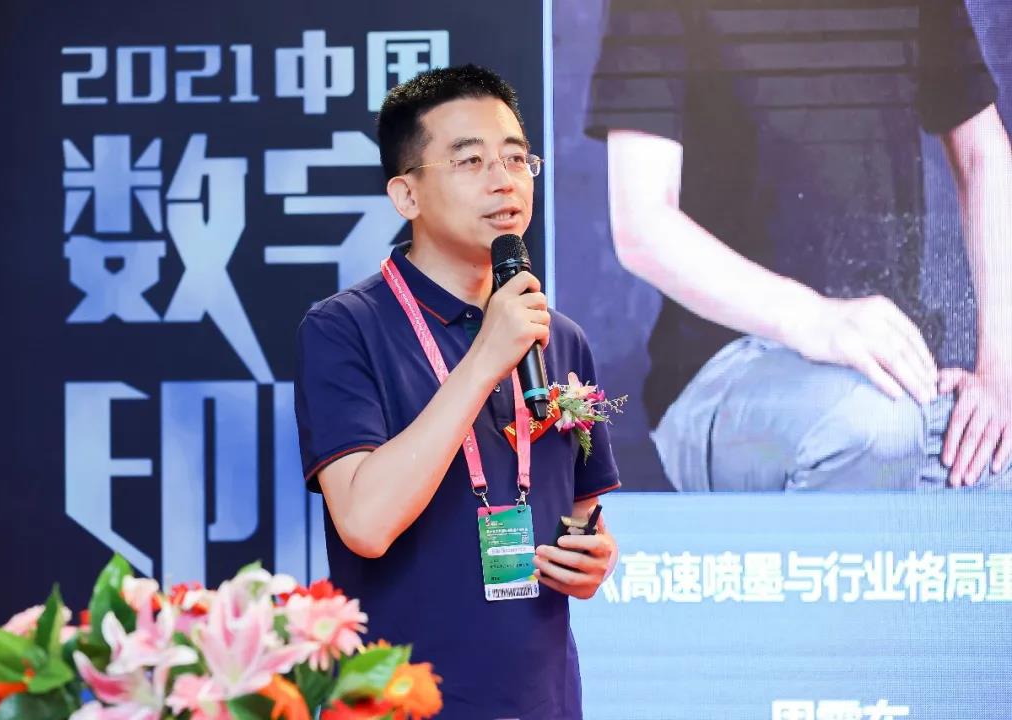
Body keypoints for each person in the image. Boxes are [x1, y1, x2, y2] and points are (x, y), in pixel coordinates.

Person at [295, 65, 621, 719]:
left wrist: (594, 555)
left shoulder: (557, 337)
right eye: (470, 161)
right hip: (399, 703)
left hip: (542, 702)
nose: (504, 180)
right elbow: (365, 524)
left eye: (516, 158)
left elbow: (581, 511)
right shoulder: (343, 329)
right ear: (406, 195)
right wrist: (484, 360)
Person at [586, 0, 1012, 491]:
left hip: (894, 376)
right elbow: (642, 226)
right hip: (727, 369)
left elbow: (983, 156)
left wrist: (999, 371)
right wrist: (816, 319)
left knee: (984, 449)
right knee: (873, 428)